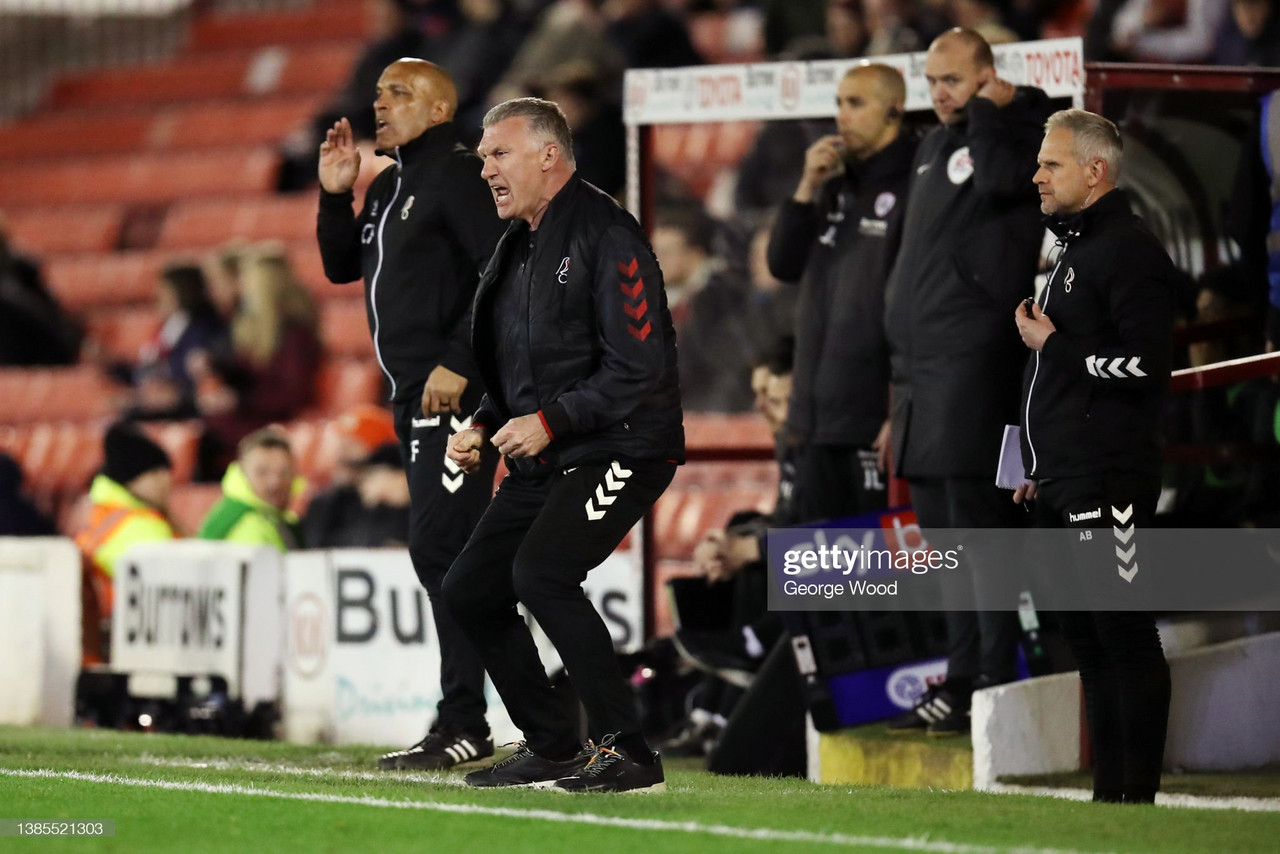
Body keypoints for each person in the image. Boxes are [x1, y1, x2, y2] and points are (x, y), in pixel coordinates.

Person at [443, 97, 684, 793]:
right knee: (469, 589)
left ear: (548, 154)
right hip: (553, 450)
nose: (484, 167)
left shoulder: (608, 235)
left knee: (541, 574)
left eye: (497, 153)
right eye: (484, 155)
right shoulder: (517, 242)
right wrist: (486, 424)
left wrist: (548, 421)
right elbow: (528, 368)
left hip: (625, 445)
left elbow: (639, 370)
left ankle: (628, 748)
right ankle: (552, 744)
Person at [316, 58, 507, 771]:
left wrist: (462, 359)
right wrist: (337, 199)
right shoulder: (390, 186)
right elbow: (342, 269)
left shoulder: (457, 177)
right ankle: (485, 716)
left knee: (442, 551)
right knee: (447, 552)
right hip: (411, 397)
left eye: (399, 94)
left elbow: (502, 267)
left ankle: (465, 722)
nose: (380, 104)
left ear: (439, 109)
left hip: (457, 396)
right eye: (376, 94)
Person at [884, 28, 1052, 735]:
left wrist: (991, 110)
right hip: (917, 379)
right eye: (931, 81)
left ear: (988, 77)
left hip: (973, 369)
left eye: (953, 80)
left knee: (982, 540)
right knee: (944, 544)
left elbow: (1000, 181)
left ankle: (990, 676)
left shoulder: (1016, 135)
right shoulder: (928, 148)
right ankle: (959, 677)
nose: (939, 94)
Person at [1013, 109, 1174, 804]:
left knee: (1123, 632)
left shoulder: (1129, 250)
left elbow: (1146, 366)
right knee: (1086, 637)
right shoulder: (1077, 249)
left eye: (1051, 163)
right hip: (1064, 474)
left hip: (1108, 475)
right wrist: (1038, 463)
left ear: (1095, 169)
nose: (1037, 175)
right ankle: (1110, 795)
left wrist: (1056, 346)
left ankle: (1135, 793)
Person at [767, 62, 915, 524]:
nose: (842, 116)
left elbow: (916, 308)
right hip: (814, 421)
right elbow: (782, 264)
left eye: (856, 103)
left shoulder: (916, 186)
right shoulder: (832, 188)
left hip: (871, 423)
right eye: (838, 104)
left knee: (874, 580)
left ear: (895, 109)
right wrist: (807, 186)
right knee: (819, 579)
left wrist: (905, 405)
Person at [194, 248, 321, 477]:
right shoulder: (267, 331)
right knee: (204, 425)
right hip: (256, 413)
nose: (244, 291)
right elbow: (253, 373)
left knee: (209, 436)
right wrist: (217, 366)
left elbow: (291, 394)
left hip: (274, 419)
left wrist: (238, 400)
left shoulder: (294, 335)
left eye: (249, 284)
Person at [75, 422, 177, 664]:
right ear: (131, 481)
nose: (167, 482)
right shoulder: (142, 526)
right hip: (127, 642)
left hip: (97, 639)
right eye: (155, 474)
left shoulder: (101, 513)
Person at [127, 263, 229, 421]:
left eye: (165, 291)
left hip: (190, 407)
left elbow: (206, 374)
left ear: (183, 292)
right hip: (166, 402)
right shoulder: (169, 328)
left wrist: (176, 392)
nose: (158, 297)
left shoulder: (204, 328)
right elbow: (147, 370)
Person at [198, 427, 304, 551]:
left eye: (284, 473)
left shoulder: (276, 519)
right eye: (262, 472)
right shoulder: (248, 525)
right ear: (242, 473)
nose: (275, 483)